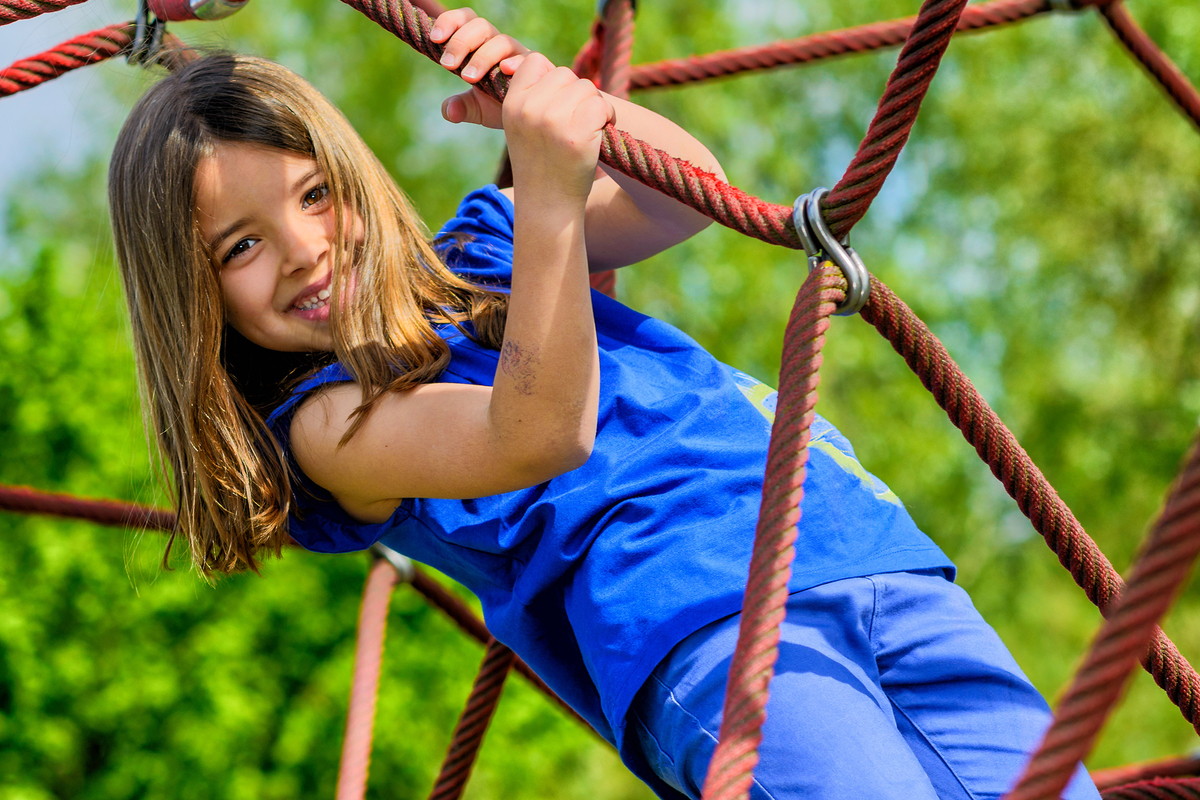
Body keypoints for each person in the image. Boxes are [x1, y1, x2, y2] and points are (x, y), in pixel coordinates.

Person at [106, 9, 1100, 800]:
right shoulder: (328, 426)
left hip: (867, 551)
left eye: (314, 194)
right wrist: (546, 197)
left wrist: (562, 108)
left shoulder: (483, 255)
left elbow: (685, 189)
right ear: (193, 299)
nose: (303, 249)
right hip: (705, 630)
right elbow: (538, 429)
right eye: (240, 246)